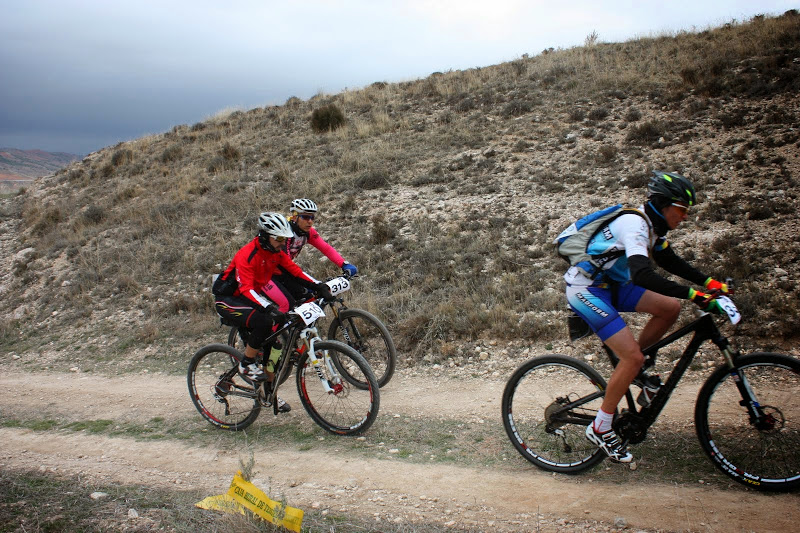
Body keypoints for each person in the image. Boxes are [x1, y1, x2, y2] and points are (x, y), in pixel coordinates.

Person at [563, 171, 729, 462]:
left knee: (669, 308)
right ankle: (601, 426)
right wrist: (694, 294)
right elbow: (642, 275)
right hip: (586, 289)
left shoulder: (653, 227)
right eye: (682, 209)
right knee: (632, 357)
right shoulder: (635, 226)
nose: (685, 216)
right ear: (664, 205)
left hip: (610, 285)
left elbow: (669, 260)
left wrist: (708, 282)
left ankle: (637, 372)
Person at [214, 212, 333, 413]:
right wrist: (270, 308)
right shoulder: (247, 254)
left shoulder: (275, 252)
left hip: (248, 297)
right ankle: (246, 363)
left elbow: (295, 271)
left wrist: (319, 286)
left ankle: (268, 393)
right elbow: (246, 289)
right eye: (278, 238)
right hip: (228, 300)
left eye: (284, 239)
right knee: (264, 321)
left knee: (275, 347)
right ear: (264, 235)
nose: (282, 243)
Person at [262, 198, 358, 313]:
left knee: (309, 297)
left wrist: (344, 264)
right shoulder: (285, 234)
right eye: (306, 217)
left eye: (312, 217)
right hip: (266, 273)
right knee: (287, 305)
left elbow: (326, 248)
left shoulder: (308, 232)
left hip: (283, 271)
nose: (310, 221)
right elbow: (287, 265)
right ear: (294, 217)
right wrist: (313, 284)